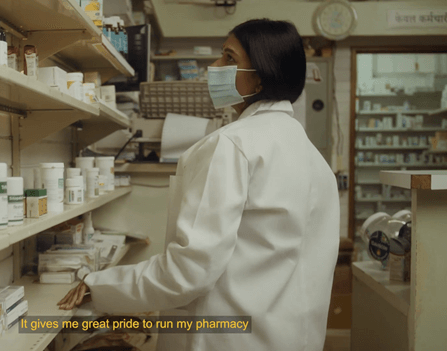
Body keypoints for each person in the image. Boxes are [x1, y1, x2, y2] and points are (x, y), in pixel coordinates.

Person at [58, 19, 340, 351]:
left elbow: (189, 271)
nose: (214, 66)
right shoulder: (312, 156)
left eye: (229, 58)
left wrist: (98, 287)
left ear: (261, 77)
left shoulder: (233, 145)